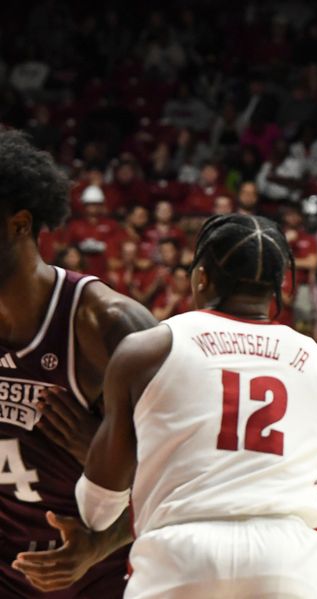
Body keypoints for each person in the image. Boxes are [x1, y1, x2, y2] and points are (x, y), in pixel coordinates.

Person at [62, 214, 317, 597]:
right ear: (282, 286)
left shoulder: (148, 350)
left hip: (181, 555)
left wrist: (91, 454)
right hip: (290, 563)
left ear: (200, 278)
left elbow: (99, 511)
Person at [0, 131, 158, 596]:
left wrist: (98, 542)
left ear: (19, 224)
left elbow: (190, 472)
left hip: (102, 571)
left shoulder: (106, 324)